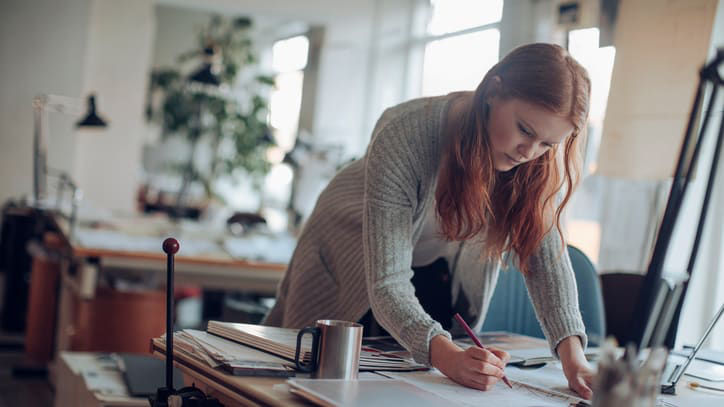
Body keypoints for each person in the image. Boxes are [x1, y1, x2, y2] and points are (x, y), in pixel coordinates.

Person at [264, 43, 595, 399]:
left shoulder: (532, 164)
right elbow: (388, 281)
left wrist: (574, 360)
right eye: (525, 130)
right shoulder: (408, 132)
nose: (528, 153)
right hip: (349, 246)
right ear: (493, 92)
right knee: (308, 382)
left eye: (547, 143)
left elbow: (546, 260)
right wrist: (449, 359)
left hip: (429, 262)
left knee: (415, 382)